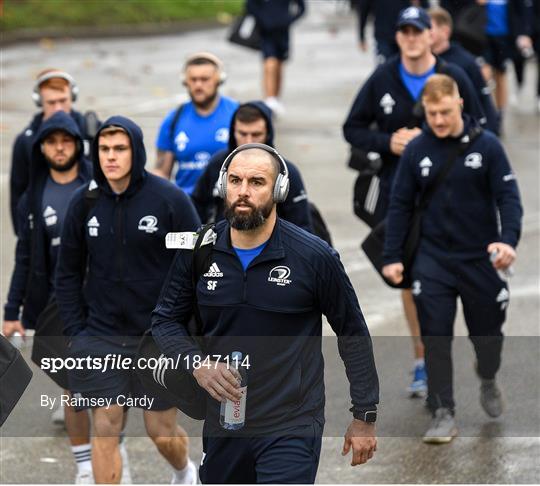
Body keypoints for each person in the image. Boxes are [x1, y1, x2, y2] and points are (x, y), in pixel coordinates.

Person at [151, 144, 379, 484]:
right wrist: (197, 364)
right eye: (235, 180)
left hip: (292, 423)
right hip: (225, 420)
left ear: (279, 190)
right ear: (222, 185)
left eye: (257, 182)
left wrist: (365, 415)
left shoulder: (314, 257)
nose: (243, 191)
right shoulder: (199, 251)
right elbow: (165, 319)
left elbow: (352, 333)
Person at [343, 5, 486, 398]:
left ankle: (475, 345)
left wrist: (442, 140)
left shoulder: (453, 75)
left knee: (462, 276)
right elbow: (352, 127)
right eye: (403, 32)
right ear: (399, 37)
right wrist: (388, 141)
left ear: (431, 34)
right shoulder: (383, 76)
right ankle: (423, 359)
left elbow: (482, 123)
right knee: (411, 279)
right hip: (399, 193)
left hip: (453, 194)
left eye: (416, 31)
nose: (409, 38)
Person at [55, 116, 201, 484]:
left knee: (160, 431)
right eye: (104, 149)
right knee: (105, 424)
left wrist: (186, 332)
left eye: (119, 149)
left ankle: (185, 473)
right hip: (101, 336)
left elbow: (197, 268)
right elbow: (68, 273)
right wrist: (77, 332)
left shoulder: (169, 200)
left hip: (158, 337)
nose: (111, 157)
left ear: (135, 151)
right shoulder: (83, 202)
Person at [382, 74, 522, 443]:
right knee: (436, 336)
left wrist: (508, 241)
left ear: (459, 103)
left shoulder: (488, 146)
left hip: (480, 257)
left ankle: (488, 375)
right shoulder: (416, 150)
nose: (439, 120)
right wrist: (392, 256)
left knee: (487, 335)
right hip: (434, 259)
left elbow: (509, 198)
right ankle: (442, 410)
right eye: (432, 114)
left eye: (445, 112)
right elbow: (399, 205)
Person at [3, 111, 95, 484]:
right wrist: (13, 309)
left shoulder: (97, 187)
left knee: (108, 390)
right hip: (54, 307)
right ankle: (86, 466)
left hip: (98, 303)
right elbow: (24, 257)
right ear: (42, 148)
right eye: (52, 142)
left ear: (77, 145)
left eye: (67, 141)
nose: (59, 148)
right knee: (74, 387)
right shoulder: (33, 197)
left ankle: (110, 453)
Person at [191, 100, 313, 232]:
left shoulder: (286, 172)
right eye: (242, 134)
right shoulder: (218, 164)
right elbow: (197, 207)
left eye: (256, 135)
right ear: (233, 133)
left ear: (268, 135)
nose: (248, 141)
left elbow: (302, 227)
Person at [10, 69, 99, 235]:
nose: (58, 108)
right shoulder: (26, 142)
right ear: (39, 103)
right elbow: (18, 191)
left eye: (63, 100)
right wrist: (25, 237)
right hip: (46, 227)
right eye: (51, 103)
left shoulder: (92, 131)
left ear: (72, 97)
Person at [154, 52, 238, 194]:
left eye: (205, 79)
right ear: (185, 81)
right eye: (193, 79)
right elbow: (162, 171)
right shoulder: (173, 120)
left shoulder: (237, 114)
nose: (198, 85)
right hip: (187, 204)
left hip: (226, 202)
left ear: (219, 80)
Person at [429, 6, 500, 134]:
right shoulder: (420, 63)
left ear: (445, 31)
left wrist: (490, 134)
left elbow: (484, 102)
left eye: (429, 29)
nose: (424, 33)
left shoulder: (466, 62)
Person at [246, 0, 306, 115]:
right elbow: (250, 6)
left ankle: (275, 98)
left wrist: (288, 20)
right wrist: (263, 20)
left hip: (283, 33)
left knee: (279, 65)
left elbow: (302, 8)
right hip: (266, 33)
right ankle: (269, 99)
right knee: (270, 63)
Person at [355, 0, 428, 63]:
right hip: (383, 36)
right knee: (384, 69)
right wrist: (361, 36)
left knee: (409, 66)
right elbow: (363, 10)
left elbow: (426, 8)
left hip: (406, 33)